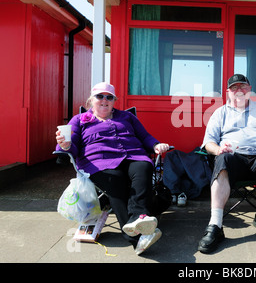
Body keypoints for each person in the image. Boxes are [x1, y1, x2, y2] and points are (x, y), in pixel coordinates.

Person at [55, 82, 170, 255]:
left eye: (109, 97)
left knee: (145, 167)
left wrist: (156, 145)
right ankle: (137, 238)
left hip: (132, 155)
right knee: (115, 179)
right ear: (91, 99)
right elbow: (71, 146)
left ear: (114, 100)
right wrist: (65, 146)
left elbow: (144, 136)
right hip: (98, 162)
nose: (104, 100)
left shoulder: (127, 117)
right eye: (100, 96)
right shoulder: (78, 120)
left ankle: (138, 218)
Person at [198, 74, 256, 254]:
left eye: (243, 87)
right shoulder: (220, 112)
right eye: (234, 88)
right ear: (228, 93)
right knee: (222, 159)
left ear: (249, 90)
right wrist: (218, 150)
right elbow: (208, 142)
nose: (239, 91)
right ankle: (215, 225)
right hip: (234, 160)